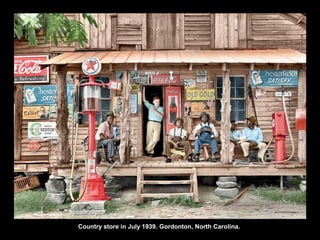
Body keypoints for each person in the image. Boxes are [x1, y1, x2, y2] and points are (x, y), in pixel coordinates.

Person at [142, 86, 164, 157]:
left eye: (158, 102)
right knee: (149, 138)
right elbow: (144, 100)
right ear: (153, 102)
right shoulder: (150, 106)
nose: (157, 103)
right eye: (156, 102)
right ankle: (151, 152)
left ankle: (147, 149)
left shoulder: (161, 108)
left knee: (156, 138)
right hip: (150, 122)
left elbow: (162, 116)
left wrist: (155, 111)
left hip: (158, 123)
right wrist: (143, 90)